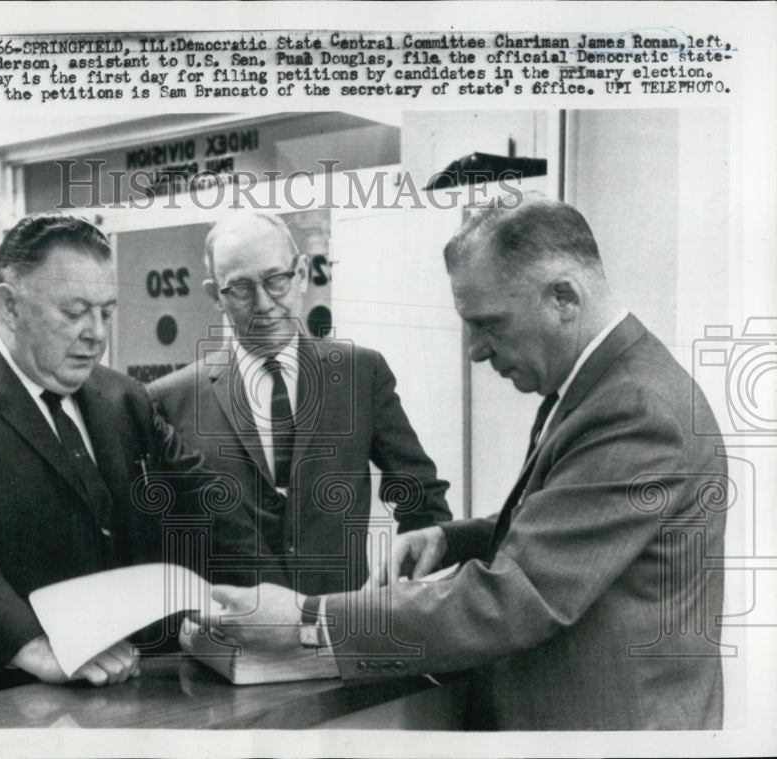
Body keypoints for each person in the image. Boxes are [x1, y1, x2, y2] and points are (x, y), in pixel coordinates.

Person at [206, 196, 728, 730]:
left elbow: (514, 598)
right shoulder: (604, 387)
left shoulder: (634, 409)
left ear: (565, 297)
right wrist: (456, 539)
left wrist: (308, 619)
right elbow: (570, 516)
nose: (475, 350)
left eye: (489, 324)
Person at [0, 214, 217, 711]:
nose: (96, 334)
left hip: (105, 696)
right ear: (10, 305)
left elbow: (204, 501)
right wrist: (36, 646)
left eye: (106, 312)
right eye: (74, 312)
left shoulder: (126, 398)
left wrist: (275, 608)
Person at [148, 211, 452, 596]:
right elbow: (160, 536)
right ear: (214, 296)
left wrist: (399, 592)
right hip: (231, 626)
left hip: (340, 622)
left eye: (276, 279)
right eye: (240, 287)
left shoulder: (360, 374)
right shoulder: (169, 400)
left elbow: (423, 500)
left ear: (303, 274)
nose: (264, 303)